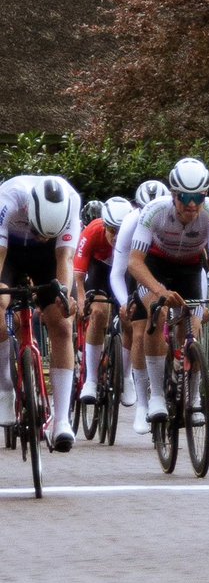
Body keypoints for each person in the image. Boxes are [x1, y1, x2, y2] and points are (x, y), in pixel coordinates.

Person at [126, 158, 209, 424]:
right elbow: (134, 263)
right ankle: (155, 396)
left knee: (191, 330)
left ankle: (193, 397)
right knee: (159, 313)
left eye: (199, 197)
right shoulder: (154, 211)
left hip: (189, 269)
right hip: (155, 266)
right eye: (186, 197)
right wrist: (159, 291)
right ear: (174, 195)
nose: (192, 204)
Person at [0, 175, 82, 451]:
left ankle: (61, 420)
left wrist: (64, 297)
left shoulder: (71, 201)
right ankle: (5, 388)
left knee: (62, 323)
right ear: (28, 212)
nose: (43, 237)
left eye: (49, 234)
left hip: (48, 258)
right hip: (9, 252)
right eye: (39, 231)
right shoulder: (8, 198)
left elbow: (65, 258)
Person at [111, 178, 168, 434]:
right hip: (141, 271)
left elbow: (200, 265)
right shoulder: (131, 223)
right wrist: (125, 303)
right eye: (144, 210)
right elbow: (118, 272)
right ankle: (143, 403)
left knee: (191, 318)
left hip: (173, 268)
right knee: (140, 329)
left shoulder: (177, 217)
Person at [74, 194, 135, 403]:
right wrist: (81, 299)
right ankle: (91, 380)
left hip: (125, 272)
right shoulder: (93, 230)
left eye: (121, 230)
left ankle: (126, 376)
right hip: (99, 271)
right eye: (112, 230)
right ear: (104, 226)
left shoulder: (136, 233)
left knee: (130, 318)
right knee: (99, 312)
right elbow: (79, 274)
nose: (116, 236)